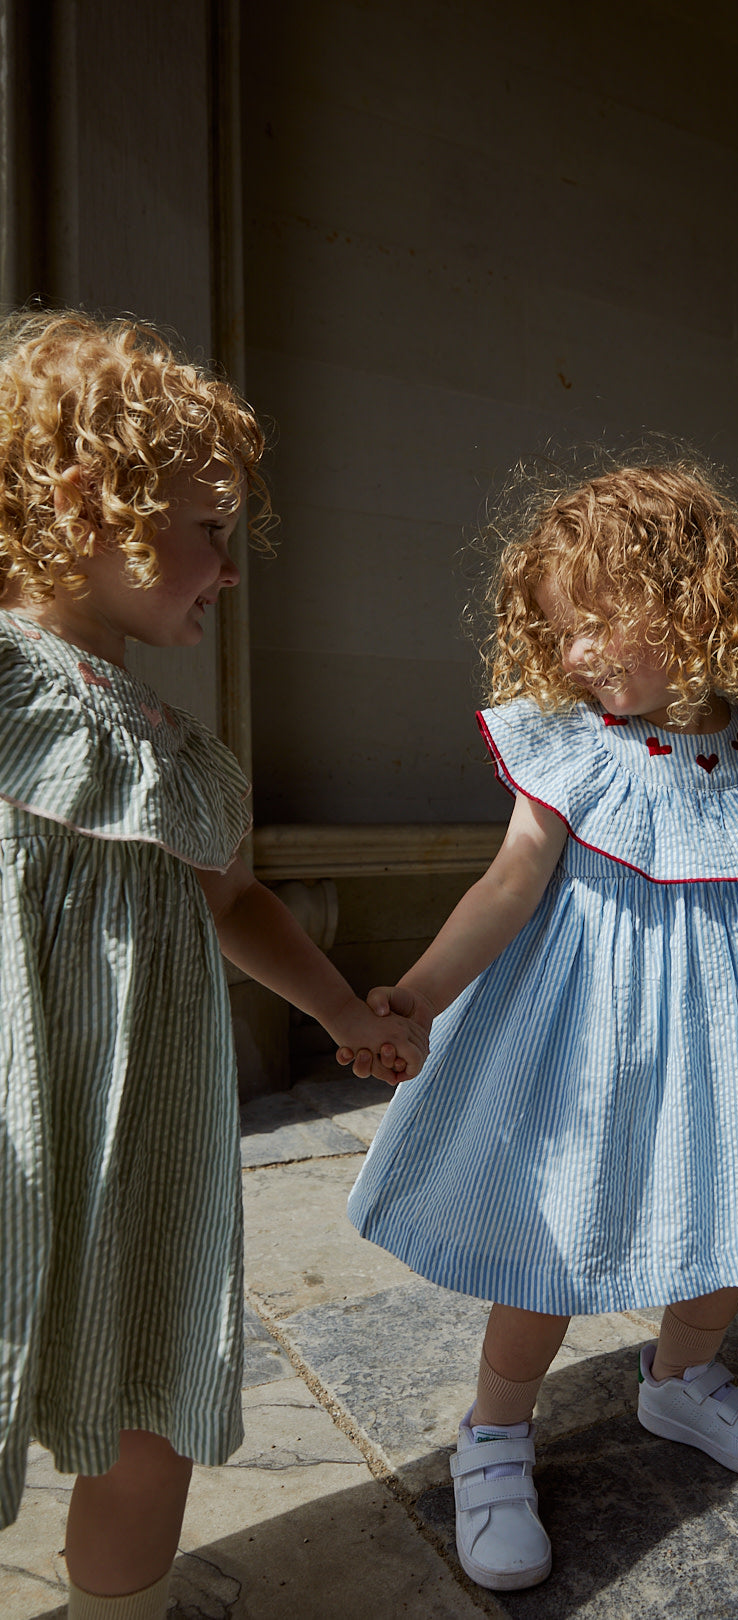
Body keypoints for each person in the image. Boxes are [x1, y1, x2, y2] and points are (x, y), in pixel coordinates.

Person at [346, 456, 738, 1591]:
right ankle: (493, 1433)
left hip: (733, 1039)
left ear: (688, 606)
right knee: (556, 1231)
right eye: (556, 633)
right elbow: (508, 883)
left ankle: (680, 1381)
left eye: (592, 627)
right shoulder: (572, 746)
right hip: (589, 1036)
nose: (570, 656)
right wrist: (420, 993)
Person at [0, 309, 427, 1620]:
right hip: (13, 1119)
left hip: (154, 1146)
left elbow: (230, 898)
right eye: (207, 530)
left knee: (150, 1396)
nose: (228, 570)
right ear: (89, 508)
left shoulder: (172, 744)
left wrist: (346, 1008)